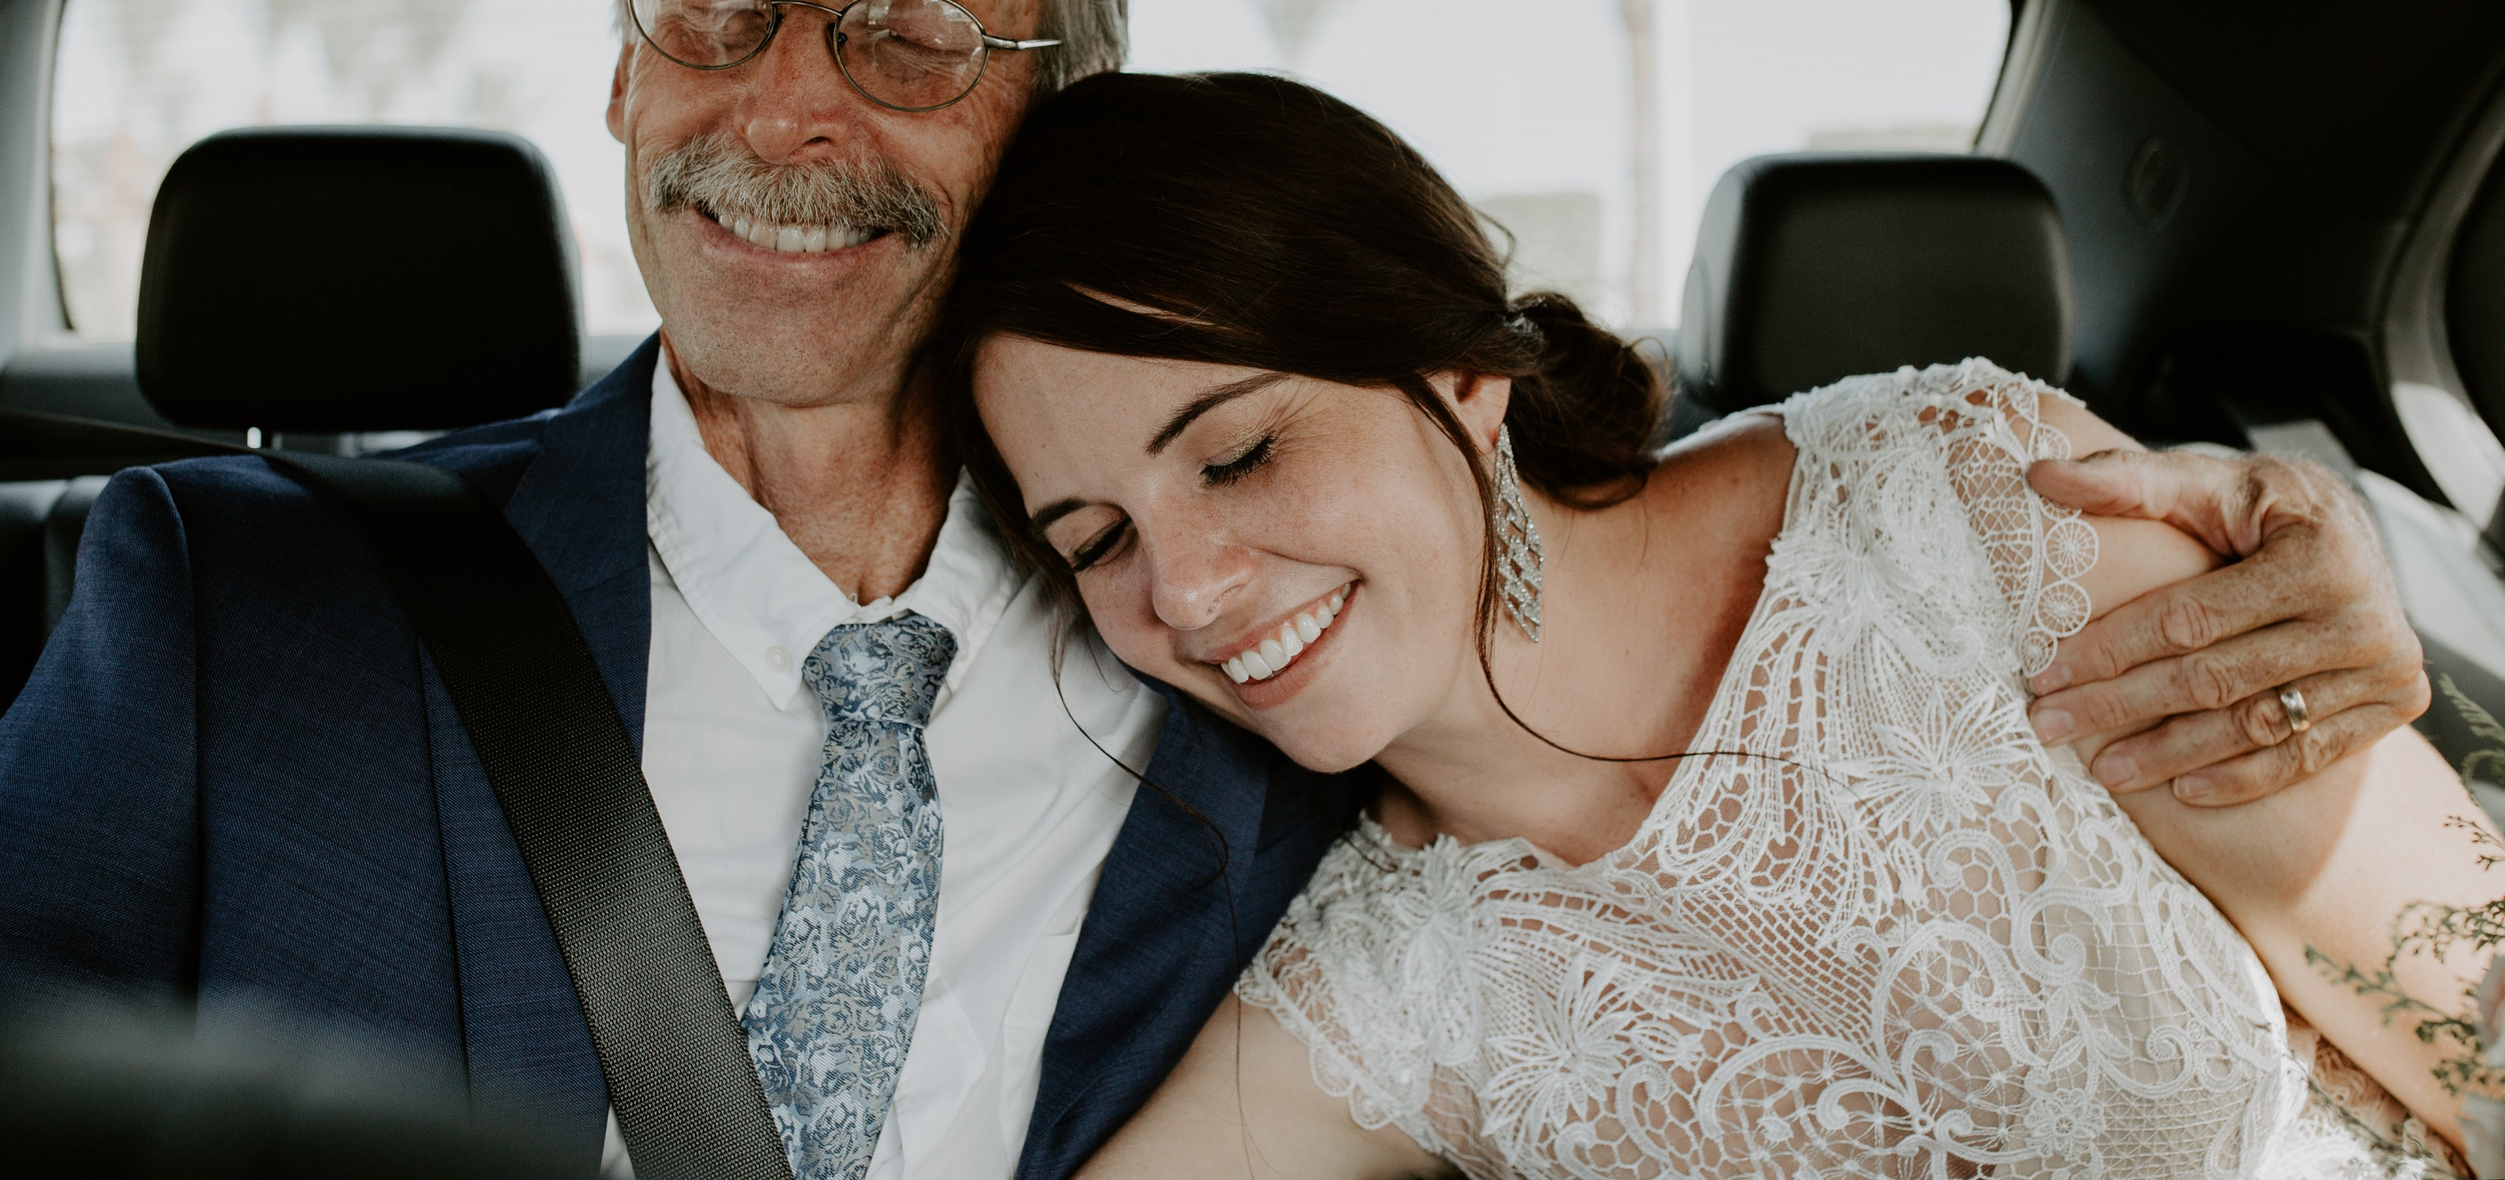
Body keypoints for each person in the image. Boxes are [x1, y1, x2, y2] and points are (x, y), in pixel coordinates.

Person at [0, 0, 2432, 1180]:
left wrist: (2356, 610)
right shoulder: (226, 606)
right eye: (716, 2)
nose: (785, 101)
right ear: (619, 64)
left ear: (1066, 127)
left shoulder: (1290, 739)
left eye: (913, 27)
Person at [948, 70, 2495, 1178]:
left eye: (1238, 453)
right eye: (1097, 542)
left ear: (1462, 372)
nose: (1191, 590)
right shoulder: (1378, 991)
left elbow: (2477, 1025)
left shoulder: (1969, 515)